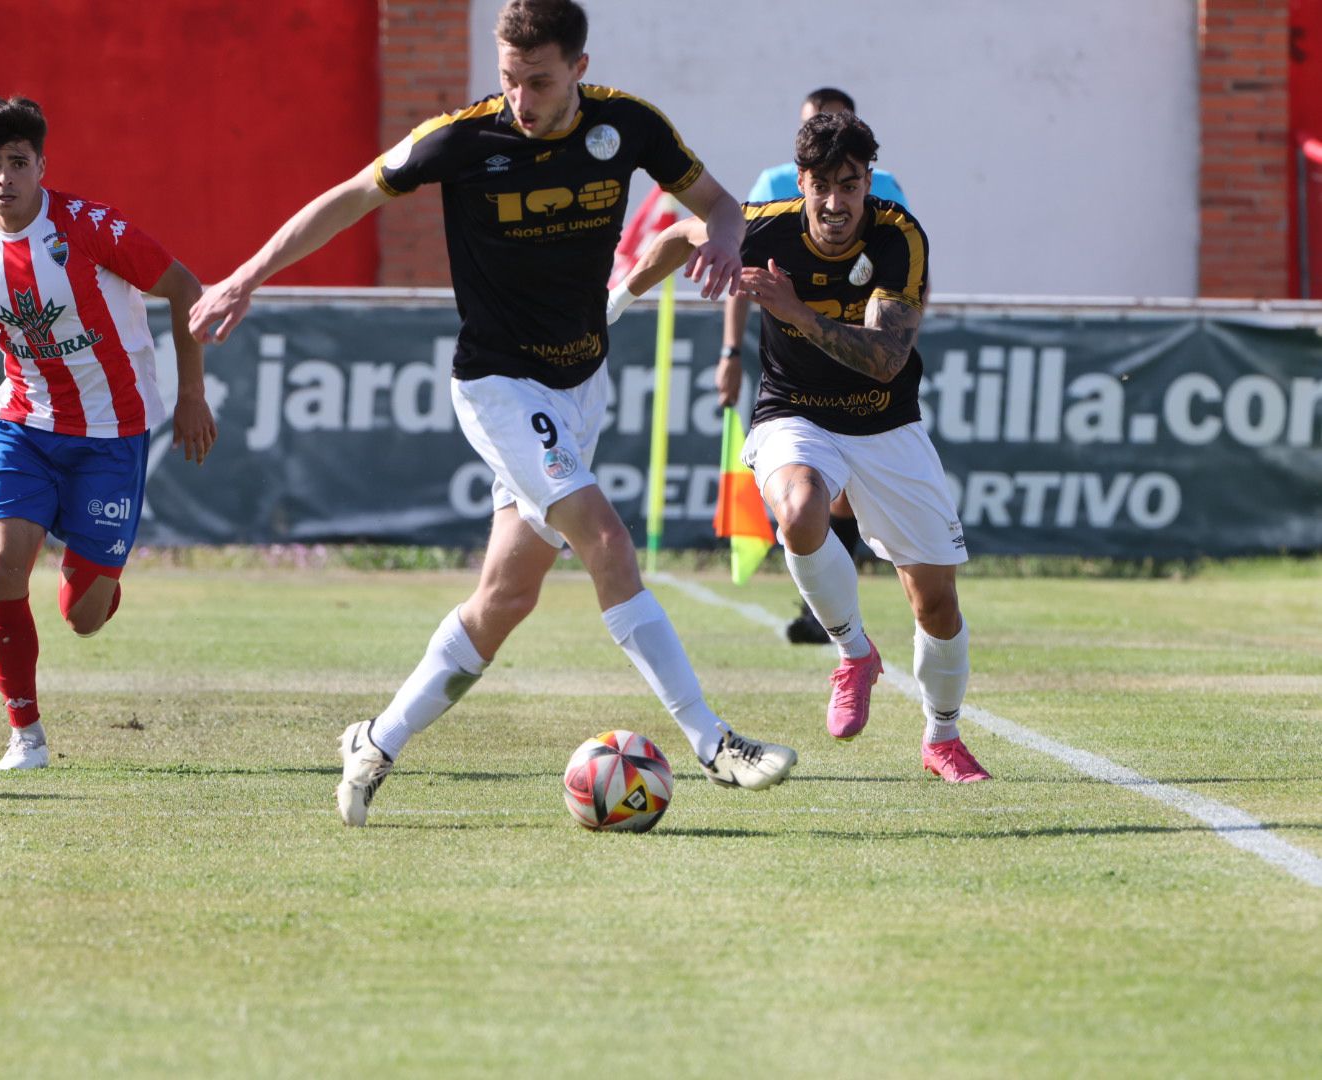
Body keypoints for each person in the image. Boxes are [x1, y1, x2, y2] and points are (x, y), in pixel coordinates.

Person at [190, 0, 797, 826]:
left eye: (539, 81)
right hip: (499, 386)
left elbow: (721, 204)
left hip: (583, 387)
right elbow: (349, 196)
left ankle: (376, 738)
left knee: (506, 598)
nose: (521, 98)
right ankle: (714, 743)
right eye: (508, 79)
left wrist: (724, 238)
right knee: (608, 544)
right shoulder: (463, 138)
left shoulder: (630, 126)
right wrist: (248, 274)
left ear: (579, 68)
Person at [612, 110, 989, 783]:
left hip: (884, 421)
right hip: (794, 415)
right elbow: (676, 236)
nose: (835, 204)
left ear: (869, 182)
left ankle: (943, 738)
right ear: (804, 183)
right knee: (800, 507)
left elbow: (885, 360)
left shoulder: (900, 237)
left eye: (849, 186)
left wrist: (796, 313)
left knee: (934, 600)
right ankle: (853, 653)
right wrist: (611, 307)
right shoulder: (767, 224)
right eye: (822, 186)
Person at [0, 96, 217, 770]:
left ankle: (99, 576)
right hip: (24, 427)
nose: (4, 178)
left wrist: (191, 394)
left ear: (41, 166)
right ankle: (26, 737)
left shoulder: (90, 227)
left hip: (112, 435)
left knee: (82, 615)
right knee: (0, 566)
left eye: (17, 163)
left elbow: (186, 288)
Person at [723, 88, 907, 644]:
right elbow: (740, 266)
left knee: (850, 494)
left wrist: (899, 330)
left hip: (861, 357)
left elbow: (907, 265)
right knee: (804, 497)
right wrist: (730, 351)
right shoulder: (774, 185)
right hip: (794, 369)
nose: (833, 194)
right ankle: (830, 621)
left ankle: (833, 612)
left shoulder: (886, 192)